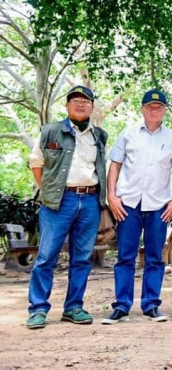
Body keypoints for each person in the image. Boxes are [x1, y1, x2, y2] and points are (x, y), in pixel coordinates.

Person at [25, 86, 109, 329]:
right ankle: (38, 309)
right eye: (75, 100)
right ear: (67, 105)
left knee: (82, 257)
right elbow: (36, 163)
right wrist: (49, 191)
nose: (80, 104)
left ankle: (73, 307)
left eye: (85, 101)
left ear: (92, 107)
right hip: (59, 202)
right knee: (46, 256)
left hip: (90, 200)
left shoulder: (99, 135)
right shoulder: (50, 131)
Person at [103, 90, 172, 324]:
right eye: (150, 106)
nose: (154, 110)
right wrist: (112, 196)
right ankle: (121, 306)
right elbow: (115, 166)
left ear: (164, 110)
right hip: (128, 204)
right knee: (125, 256)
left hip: (159, 205)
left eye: (158, 107)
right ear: (142, 109)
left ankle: (151, 305)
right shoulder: (128, 134)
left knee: (155, 257)